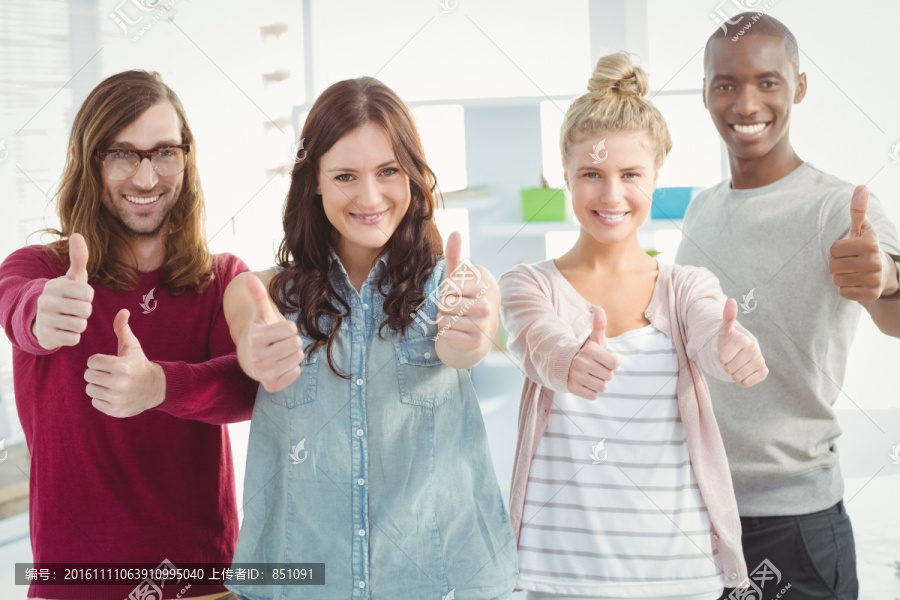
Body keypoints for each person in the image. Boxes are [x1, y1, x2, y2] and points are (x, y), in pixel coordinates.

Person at [222, 77, 518, 599]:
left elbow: (463, 343)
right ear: (313, 180)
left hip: (443, 583)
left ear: (414, 173)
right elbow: (250, 333)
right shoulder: (261, 293)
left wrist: (467, 336)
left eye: (388, 171)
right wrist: (258, 350)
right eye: (344, 176)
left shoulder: (461, 287)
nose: (370, 196)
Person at [499, 52, 769, 600]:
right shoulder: (529, 284)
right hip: (559, 571)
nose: (611, 195)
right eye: (592, 175)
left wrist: (729, 345)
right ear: (565, 176)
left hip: (680, 571)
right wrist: (568, 361)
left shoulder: (685, 285)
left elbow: (707, 331)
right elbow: (537, 342)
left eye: (630, 175)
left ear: (655, 178)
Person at [0, 70, 258, 600]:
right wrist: (41, 313)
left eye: (164, 151)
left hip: (202, 585)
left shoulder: (223, 278)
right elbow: (17, 308)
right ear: (89, 162)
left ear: (186, 159)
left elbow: (247, 387)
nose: (146, 178)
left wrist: (158, 387)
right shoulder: (37, 271)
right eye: (122, 153)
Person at [675, 13, 900, 600]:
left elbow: (895, 310)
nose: (746, 102)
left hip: (793, 523)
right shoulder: (701, 208)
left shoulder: (837, 207)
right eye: (726, 84)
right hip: (698, 511)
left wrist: (887, 281)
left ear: (798, 87)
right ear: (705, 92)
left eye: (768, 82)